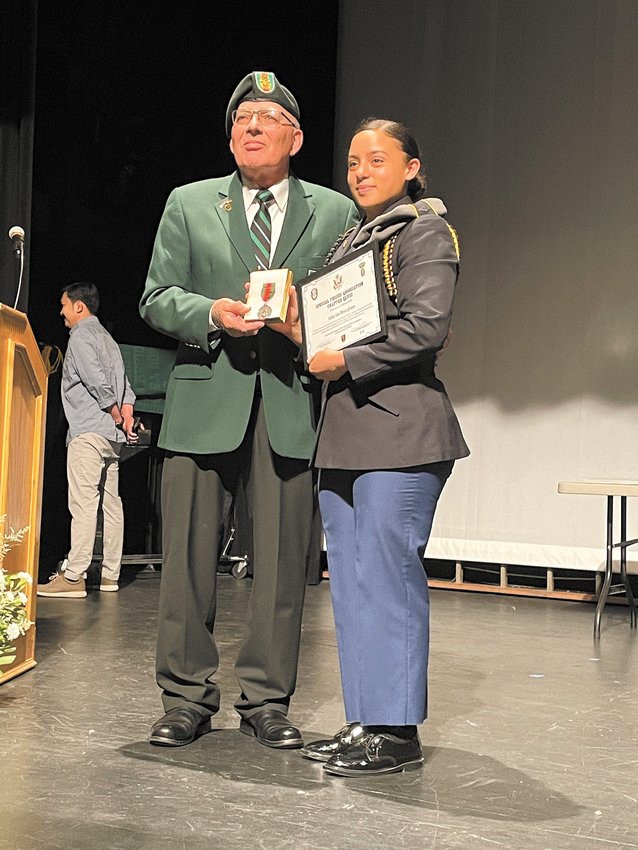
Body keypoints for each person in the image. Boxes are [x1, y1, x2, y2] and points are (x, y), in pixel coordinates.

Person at [139, 71, 358, 749]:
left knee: (284, 563)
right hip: (206, 396)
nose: (251, 127)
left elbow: (345, 312)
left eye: (266, 117)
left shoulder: (333, 212)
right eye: (241, 119)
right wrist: (210, 313)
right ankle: (185, 696)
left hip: (288, 400)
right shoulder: (191, 203)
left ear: (294, 136)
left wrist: (303, 327)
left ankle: (267, 698)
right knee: (185, 562)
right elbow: (155, 296)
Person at [296, 118, 470, 775]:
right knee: (353, 584)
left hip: (400, 428)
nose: (361, 171)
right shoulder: (352, 243)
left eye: (376, 160)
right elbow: (330, 335)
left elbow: (427, 328)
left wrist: (345, 357)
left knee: (389, 581)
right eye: (352, 163)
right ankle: (366, 719)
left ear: (412, 168)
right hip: (344, 434)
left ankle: (397, 735)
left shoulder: (423, 231)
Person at [37, 282, 137, 599]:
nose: (61, 312)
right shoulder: (107, 338)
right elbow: (126, 385)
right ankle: (110, 575)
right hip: (112, 436)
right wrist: (125, 414)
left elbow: (96, 379)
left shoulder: (80, 336)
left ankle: (74, 576)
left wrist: (113, 410)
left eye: (64, 305)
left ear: (79, 307)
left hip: (90, 431)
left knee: (83, 506)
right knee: (111, 505)